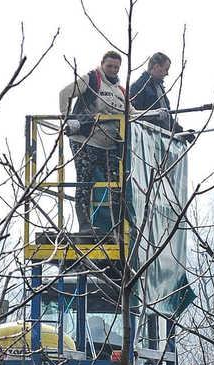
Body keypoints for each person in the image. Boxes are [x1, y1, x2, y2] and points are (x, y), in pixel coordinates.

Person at [59, 50, 126, 237]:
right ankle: (85, 226)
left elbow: (133, 112)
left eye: (116, 67)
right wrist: (68, 119)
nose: (113, 70)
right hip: (85, 140)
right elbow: (64, 93)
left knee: (116, 185)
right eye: (109, 66)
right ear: (102, 64)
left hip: (109, 145)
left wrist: (155, 115)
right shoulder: (92, 79)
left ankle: (118, 228)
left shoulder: (120, 91)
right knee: (85, 182)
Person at [130, 52, 194, 139]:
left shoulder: (159, 88)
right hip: (148, 139)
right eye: (166, 69)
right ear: (156, 67)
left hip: (161, 139)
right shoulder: (139, 87)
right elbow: (135, 117)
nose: (167, 73)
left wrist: (182, 132)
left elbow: (167, 117)